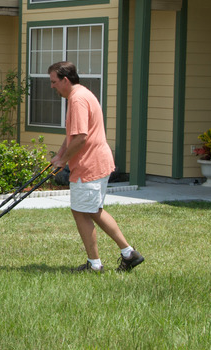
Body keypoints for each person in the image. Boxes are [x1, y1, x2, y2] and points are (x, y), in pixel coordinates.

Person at [48, 61, 144, 273]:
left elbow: (81, 137)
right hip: (94, 162)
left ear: (65, 80)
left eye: (54, 82)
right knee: (92, 210)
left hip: (89, 164)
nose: (52, 86)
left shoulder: (78, 100)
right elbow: (73, 134)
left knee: (83, 211)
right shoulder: (80, 95)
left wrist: (64, 161)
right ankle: (128, 254)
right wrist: (60, 155)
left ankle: (96, 264)